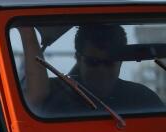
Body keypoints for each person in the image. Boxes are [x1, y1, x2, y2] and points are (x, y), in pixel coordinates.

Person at [19, 24, 164, 114]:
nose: (101, 71)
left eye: (109, 63)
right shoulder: (52, 95)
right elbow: (34, 97)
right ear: (78, 58)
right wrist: (27, 32)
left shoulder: (142, 99)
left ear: (120, 62)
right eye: (93, 62)